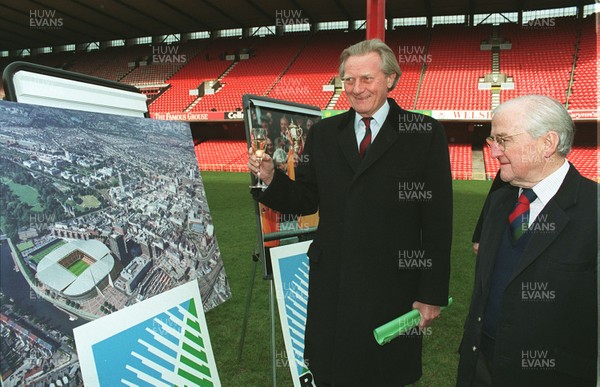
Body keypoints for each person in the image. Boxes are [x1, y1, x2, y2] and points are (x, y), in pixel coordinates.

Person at [248, 39, 452, 386]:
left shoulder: (425, 133)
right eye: (348, 80)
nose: (356, 90)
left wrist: (430, 293)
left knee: (382, 374)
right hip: (334, 285)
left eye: (367, 79)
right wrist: (270, 178)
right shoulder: (325, 133)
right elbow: (306, 199)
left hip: (392, 288)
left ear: (390, 79)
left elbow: (437, 221)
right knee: (330, 370)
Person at [456, 95, 598, 386]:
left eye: (503, 139)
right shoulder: (499, 201)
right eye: (491, 140)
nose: (493, 151)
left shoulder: (593, 208)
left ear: (547, 144)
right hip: (479, 366)